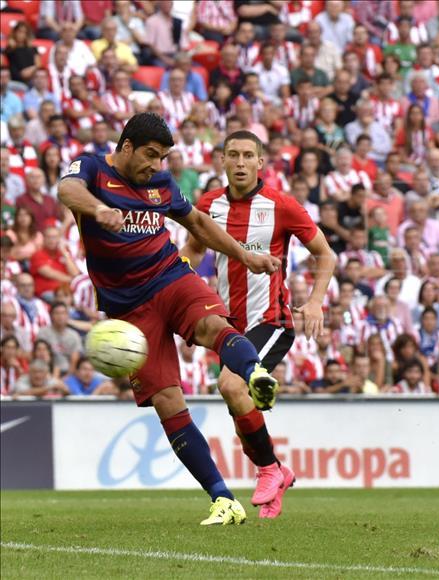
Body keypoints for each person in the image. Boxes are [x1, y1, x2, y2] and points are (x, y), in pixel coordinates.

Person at [57, 113, 283, 526]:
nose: (155, 165)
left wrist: (245, 255)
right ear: (126, 147)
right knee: (167, 402)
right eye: (149, 155)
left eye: (162, 157)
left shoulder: (160, 184)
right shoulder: (91, 168)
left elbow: (196, 222)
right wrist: (98, 209)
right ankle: (223, 499)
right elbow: (67, 189)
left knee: (214, 327)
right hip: (128, 310)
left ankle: (254, 373)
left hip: (170, 277)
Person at [183, 130, 336, 519]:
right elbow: (193, 251)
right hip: (228, 325)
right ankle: (276, 473)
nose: (239, 162)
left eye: (247, 155)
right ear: (221, 161)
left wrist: (316, 301)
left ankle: (269, 469)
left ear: (260, 163)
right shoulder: (208, 204)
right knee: (237, 401)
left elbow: (325, 254)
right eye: (232, 154)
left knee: (231, 384)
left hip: (271, 319)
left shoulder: (281, 206)